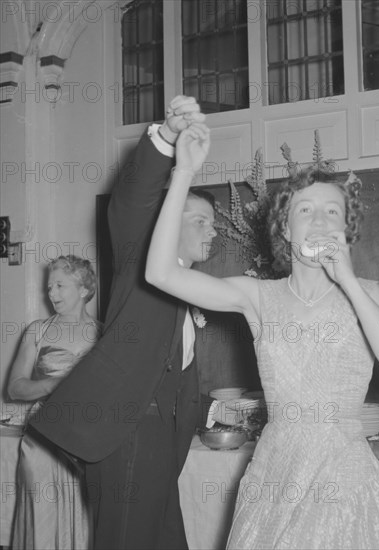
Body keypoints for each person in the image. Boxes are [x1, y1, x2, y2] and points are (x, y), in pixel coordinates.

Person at [145, 123, 379, 549]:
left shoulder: (367, 293)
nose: (319, 219)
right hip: (276, 475)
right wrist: (183, 173)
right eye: (305, 210)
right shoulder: (258, 296)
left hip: (345, 476)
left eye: (331, 211)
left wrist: (349, 282)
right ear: (284, 229)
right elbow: (160, 273)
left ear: (346, 229)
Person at [28, 96, 218, 550]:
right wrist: (168, 138)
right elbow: (132, 200)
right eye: (201, 221)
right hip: (128, 431)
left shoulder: (190, 289)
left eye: (213, 223)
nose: (211, 231)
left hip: (161, 442)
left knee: (166, 540)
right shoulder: (140, 261)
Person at [8, 255, 100, 550]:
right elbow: (15, 388)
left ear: (84, 289)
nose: (52, 293)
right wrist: (53, 384)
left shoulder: (105, 333)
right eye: (49, 287)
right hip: (42, 439)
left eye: (60, 286)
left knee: (86, 516)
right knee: (42, 515)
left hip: (88, 439)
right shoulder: (38, 331)